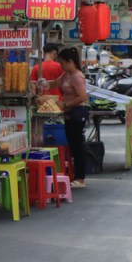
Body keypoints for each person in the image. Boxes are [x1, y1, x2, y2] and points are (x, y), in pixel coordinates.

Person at [39, 48, 89, 188]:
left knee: (78, 146)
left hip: (77, 113)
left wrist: (65, 104)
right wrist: (44, 84)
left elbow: (82, 97)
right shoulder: (66, 75)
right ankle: (76, 176)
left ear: (70, 62)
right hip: (68, 114)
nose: (60, 66)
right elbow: (56, 83)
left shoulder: (77, 77)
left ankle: (80, 178)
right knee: (72, 144)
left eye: (62, 63)